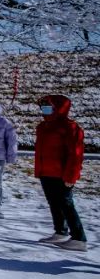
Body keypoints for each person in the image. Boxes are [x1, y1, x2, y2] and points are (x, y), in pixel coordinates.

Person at [34, 95, 87, 251]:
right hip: (46, 171)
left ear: (58, 108)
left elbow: (75, 154)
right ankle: (60, 231)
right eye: (43, 107)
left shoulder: (70, 127)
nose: (45, 110)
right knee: (54, 203)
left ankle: (79, 238)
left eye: (49, 106)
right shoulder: (43, 126)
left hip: (62, 174)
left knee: (66, 204)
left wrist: (71, 175)